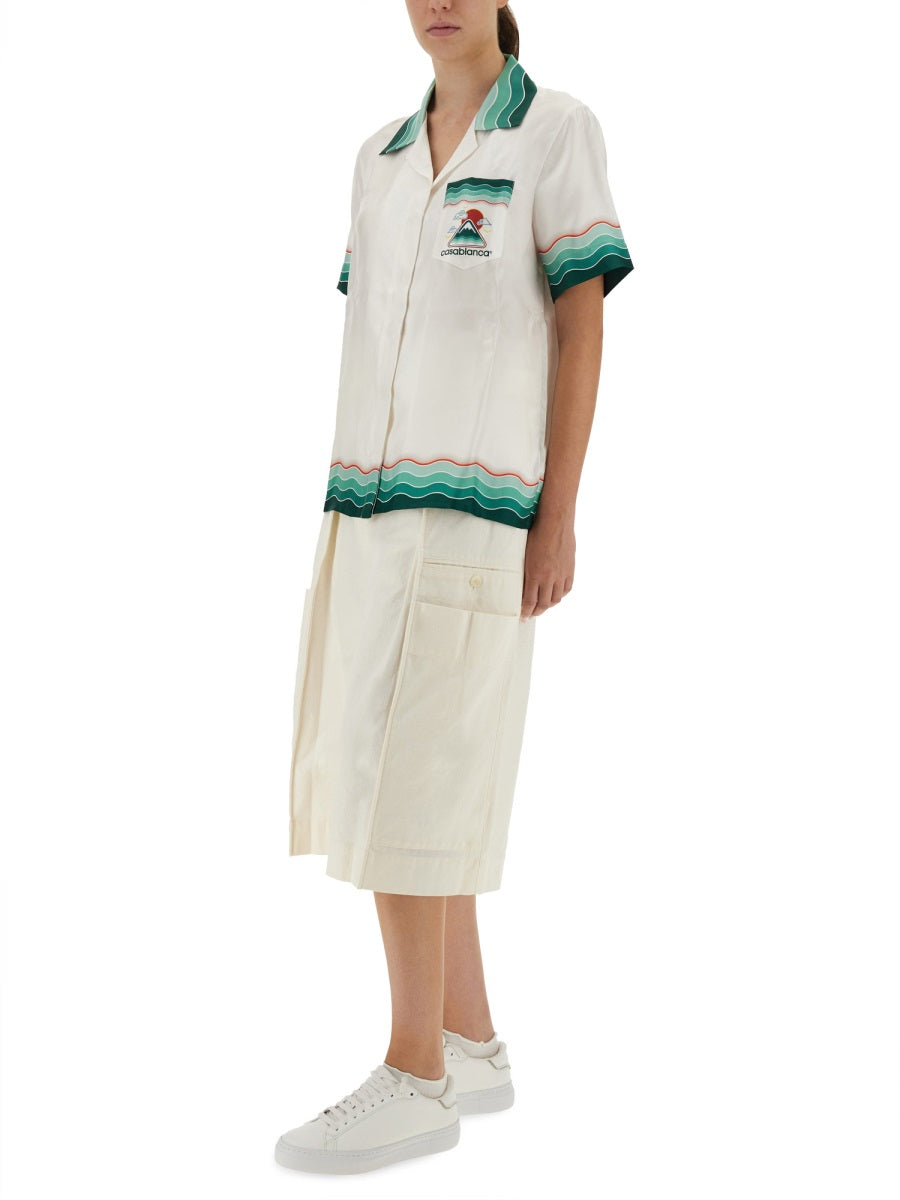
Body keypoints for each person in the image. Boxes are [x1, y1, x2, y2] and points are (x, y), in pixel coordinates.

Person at [276, 0, 634, 1175]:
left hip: (472, 514)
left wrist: (558, 511)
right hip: (366, 512)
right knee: (392, 772)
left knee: (411, 791)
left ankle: (414, 1072)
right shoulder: (378, 159)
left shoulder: (556, 131)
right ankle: (471, 1043)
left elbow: (579, 331)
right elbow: (388, 336)